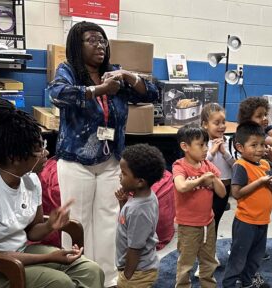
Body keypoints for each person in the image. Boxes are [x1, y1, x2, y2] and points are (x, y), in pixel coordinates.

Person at [47, 21, 158, 287]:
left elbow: (153, 93)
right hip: (76, 161)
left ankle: (108, 279)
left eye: (102, 40)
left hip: (111, 160)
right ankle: (77, 276)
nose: (100, 46)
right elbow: (57, 94)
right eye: (92, 40)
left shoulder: (114, 73)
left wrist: (128, 77)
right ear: (77, 45)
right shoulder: (68, 71)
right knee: (77, 221)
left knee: (110, 220)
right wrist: (99, 91)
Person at [0, 98, 104, 288]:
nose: (46, 153)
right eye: (38, 149)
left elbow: (33, 231)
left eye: (43, 145)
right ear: (14, 158)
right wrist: (48, 257)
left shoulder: (30, 179)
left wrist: (50, 224)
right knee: (60, 283)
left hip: (20, 252)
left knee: (91, 271)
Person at [222, 122, 272, 288]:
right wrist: (260, 182)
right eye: (254, 145)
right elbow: (236, 193)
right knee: (238, 256)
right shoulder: (240, 166)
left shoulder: (264, 164)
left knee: (256, 256)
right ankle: (228, 284)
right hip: (246, 222)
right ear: (240, 147)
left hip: (263, 221)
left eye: (263, 144)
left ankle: (247, 282)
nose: (260, 149)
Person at [172, 124, 226, 288]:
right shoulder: (179, 166)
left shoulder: (208, 166)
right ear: (185, 146)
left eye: (206, 145)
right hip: (188, 225)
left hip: (208, 223)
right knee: (186, 262)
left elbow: (222, 193)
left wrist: (214, 179)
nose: (205, 149)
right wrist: (201, 180)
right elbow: (181, 186)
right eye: (200, 145)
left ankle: (208, 284)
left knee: (209, 260)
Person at [114, 144, 166, 288]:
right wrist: (123, 204)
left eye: (124, 173)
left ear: (140, 181)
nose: (120, 176)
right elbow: (129, 224)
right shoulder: (145, 197)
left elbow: (135, 247)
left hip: (137, 273)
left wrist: (126, 276)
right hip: (139, 268)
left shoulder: (138, 210)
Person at [201, 103, 235, 243]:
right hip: (206, 188)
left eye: (223, 122)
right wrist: (213, 151)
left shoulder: (229, 141)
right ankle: (205, 251)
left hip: (224, 187)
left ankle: (211, 250)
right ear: (205, 125)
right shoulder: (202, 143)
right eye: (217, 123)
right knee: (205, 221)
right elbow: (200, 166)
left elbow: (235, 165)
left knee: (215, 220)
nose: (221, 126)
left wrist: (224, 152)